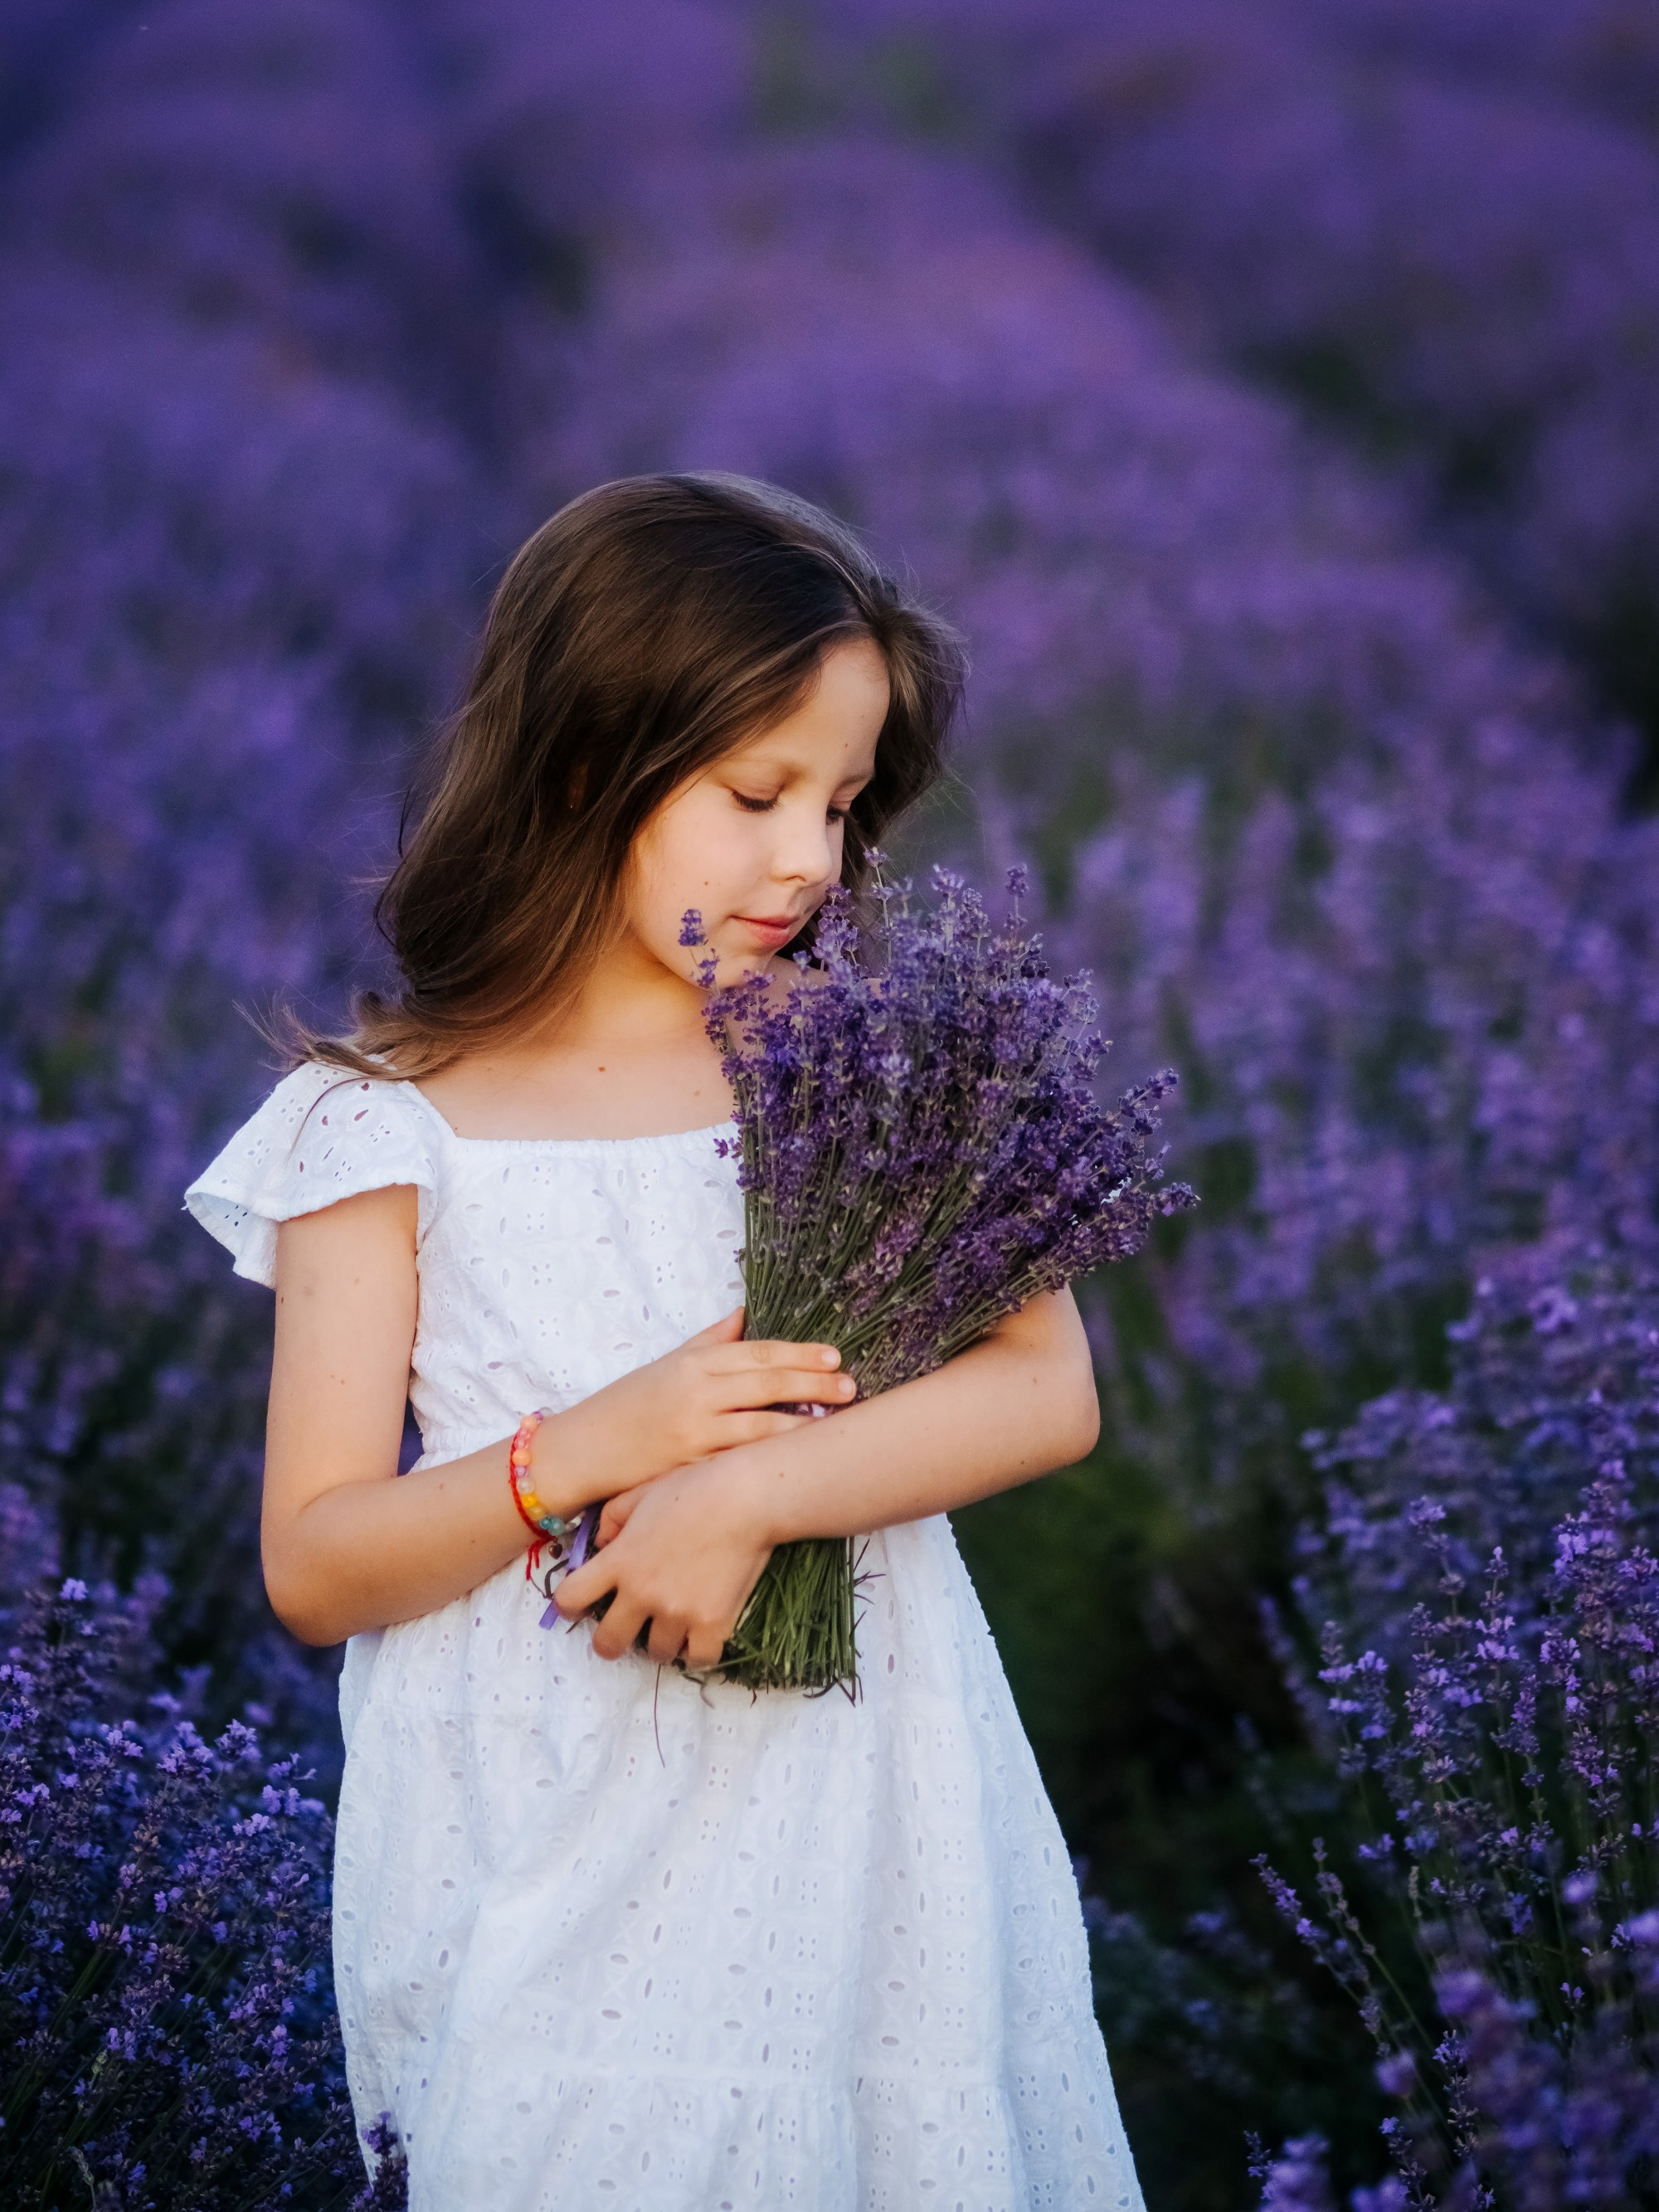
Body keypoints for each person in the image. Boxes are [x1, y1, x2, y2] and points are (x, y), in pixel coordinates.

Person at [185, 473, 1146, 2211]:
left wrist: (750, 1494)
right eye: (753, 792)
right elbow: (318, 1562)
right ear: (582, 766)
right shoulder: (376, 1120)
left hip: (861, 1795)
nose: (812, 859)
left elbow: (1044, 1384)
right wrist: (601, 1441)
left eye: (846, 806)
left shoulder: (857, 1061)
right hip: (537, 1812)